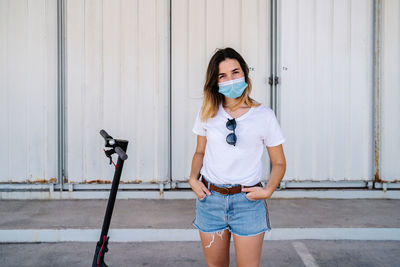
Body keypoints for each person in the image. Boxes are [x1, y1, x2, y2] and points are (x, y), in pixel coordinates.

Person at [189, 47, 287, 267]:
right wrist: (192, 179)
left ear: (244, 73)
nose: (230, 79)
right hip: (210, 199)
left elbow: (279, 162)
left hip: (248, 202)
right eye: (222, 76)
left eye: (235, 72)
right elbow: (200, 152)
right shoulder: (207, 112)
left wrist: (269, 189)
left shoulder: (264, 116)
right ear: (215, 81)